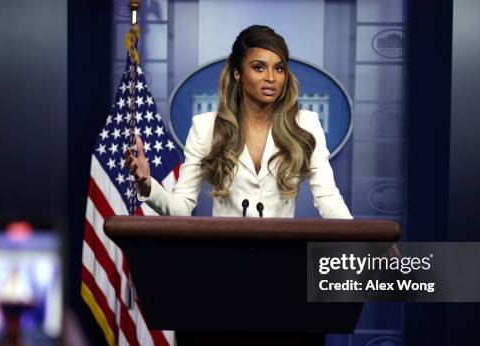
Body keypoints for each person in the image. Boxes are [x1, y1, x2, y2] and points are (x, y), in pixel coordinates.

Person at [125, 25, 352, 219]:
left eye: (279, 68)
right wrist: (147, 185)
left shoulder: (306, 123)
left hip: (281, 255)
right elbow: (181, 207)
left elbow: (328, 199)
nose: (271, 77)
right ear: (237, 73)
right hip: (225, 257)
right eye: (259, 67)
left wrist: (362, 240)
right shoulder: (205, 127)